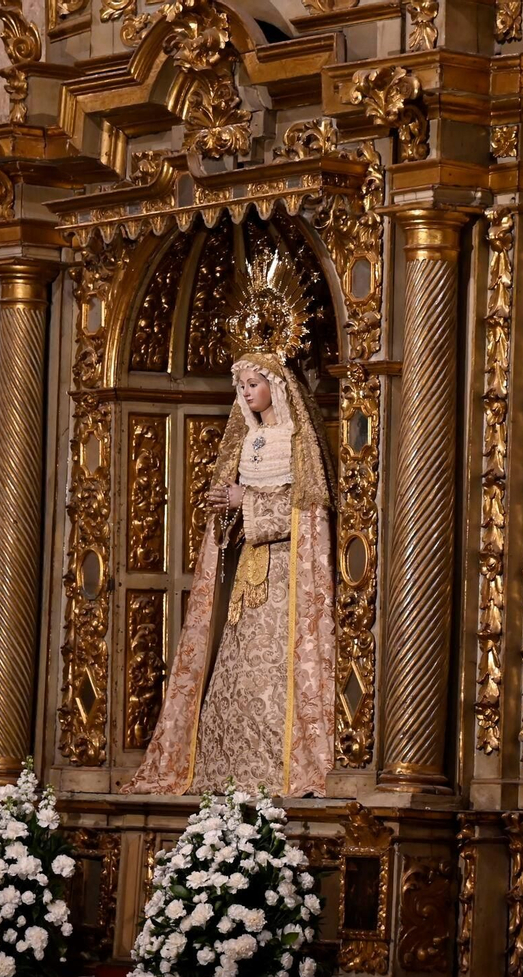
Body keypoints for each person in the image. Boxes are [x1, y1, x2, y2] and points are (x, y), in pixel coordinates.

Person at [124, 245, 337, 798]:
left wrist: (251, 503)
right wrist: (227, 510)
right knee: (237, 670)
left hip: (286, 574)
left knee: (275, 670)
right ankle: (228, 772)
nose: (245, 394)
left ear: (277, 384)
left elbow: (308, 508)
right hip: (248, 570)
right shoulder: (246, 438)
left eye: (253, 384)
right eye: (240, 387)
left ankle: (282, 767)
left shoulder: (296, 439)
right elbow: (232, 502)